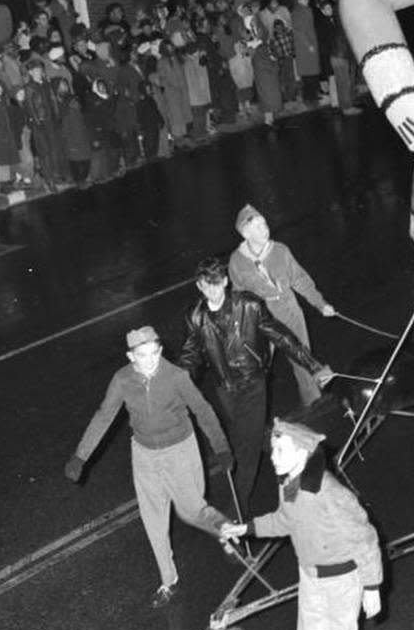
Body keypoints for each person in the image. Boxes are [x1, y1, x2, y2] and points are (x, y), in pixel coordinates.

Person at [219, 417, 403, 630]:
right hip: (310, 579)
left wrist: (373, 585)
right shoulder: (288, 483)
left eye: (281, 449)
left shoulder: (329, 493)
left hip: (342, 583)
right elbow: (284, 521)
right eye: (273, 448)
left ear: (303, 453)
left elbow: (365, 537)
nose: (273, 456)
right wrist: (245, 529)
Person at [65, 325, 236, 608]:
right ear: (130, 356)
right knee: (152, 518)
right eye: (142, 355)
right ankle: (168, 580)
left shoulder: (176, 377)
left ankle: (227, 533)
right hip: (144, 454)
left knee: (192, 511)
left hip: (179, 449)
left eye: (154, 353)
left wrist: (221, 448)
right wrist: (80, 456)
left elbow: (203, 410)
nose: (150, 360)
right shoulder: (122, 380)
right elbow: (104, 416)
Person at [178, 257, 335, 518]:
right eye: (207, 285)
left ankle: (235, 513)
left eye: (218, 283)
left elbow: (281, 336)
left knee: (245, 451)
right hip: (225, 389)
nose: (214, 290)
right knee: (254, 437)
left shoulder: (249, 304)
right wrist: (178, 389)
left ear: (226, 281)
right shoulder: (195, 316)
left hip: (253, 385)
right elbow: (190, 355)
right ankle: (308, 460)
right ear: (199, 286)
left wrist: (314, 365)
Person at [229, 204, 336, 405]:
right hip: (262, 319)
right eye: (258, 226)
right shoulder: (237, 261)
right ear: (245, 233)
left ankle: (315, 405)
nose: (265, 228)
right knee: (258, 368)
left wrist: (320, 304)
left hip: (289, 312)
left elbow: (301, 280)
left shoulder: (280, 250)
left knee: (303, 361)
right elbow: (238, 298)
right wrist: (240, 329)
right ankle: (254, 417)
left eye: (265, 223)